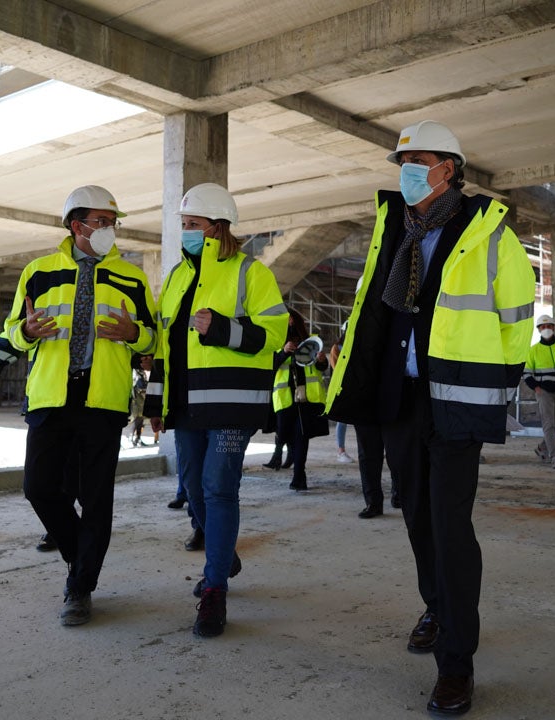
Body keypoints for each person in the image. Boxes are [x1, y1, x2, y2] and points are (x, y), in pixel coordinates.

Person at [325, 120, 535, 715]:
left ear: (448, 168)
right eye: (401, 161)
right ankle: (438, 608)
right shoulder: (396, 230)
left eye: (416, 159)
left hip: (457, 401)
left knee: (450, 525)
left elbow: (516, 321)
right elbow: (374, 310)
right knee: (416, 515)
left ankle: (457, 664)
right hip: (400, 398)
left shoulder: (487, 232)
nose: (405, 170)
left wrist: (491, 395)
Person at [3, 184, 156, 627]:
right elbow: (13, 330)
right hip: (51, 394)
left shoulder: (131, 276)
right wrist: (27, 331)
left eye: (113, 223)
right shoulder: (37, 270)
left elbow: (151, 337)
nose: (110, 229)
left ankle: (80, 587)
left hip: (103, 400)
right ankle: (79, 557)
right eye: (102, 222)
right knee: (39, 487)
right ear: (76, 225)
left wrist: (133, 336)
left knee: (96, 499)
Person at [143, 183, 287, 638]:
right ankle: (223, 556)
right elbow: (165, 350)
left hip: (230, 406)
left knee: (218, 489)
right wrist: (154, 403)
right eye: (182, 225)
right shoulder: (177, 279)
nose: (185, 232)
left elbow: (276, 333)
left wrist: (223, 328)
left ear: (217, 227)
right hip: (185, 406)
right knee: (192, 488)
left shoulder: (251, 273)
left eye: (192, 225)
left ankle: (214, 589)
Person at [0, 333, 58, 552]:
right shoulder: (36, 297)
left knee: (79, 479)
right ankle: (61, 528)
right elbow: (14, 332)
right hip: (46, 399)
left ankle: (78, 535)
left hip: (95, 404)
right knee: (41, 480)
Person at [329, 328, 399, 518]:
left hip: (388, 400)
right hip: (365, 402)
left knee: (396, 453)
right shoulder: (352, 342)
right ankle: (373, 503)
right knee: (368, 456)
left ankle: (398, 493)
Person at [271, 308, 329, 492]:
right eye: (286, 321)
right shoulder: (274, 341)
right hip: (286, 398)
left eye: (292, 320)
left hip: (307, 398)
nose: (289, 323)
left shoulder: (311, 340)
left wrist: (321, 360)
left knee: (301, 436)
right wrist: (284, 352)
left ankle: (299, 475)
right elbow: (270, 366)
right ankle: (292, 468)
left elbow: (322, 367)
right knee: (287, 435)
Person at [522, 314, 555, 469]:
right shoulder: (533, 351)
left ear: (554, 327)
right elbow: (526, 373)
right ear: (539, 329)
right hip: (544, 392)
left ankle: (542, 448)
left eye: (549, 326)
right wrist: (536, 387)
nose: (546, 329)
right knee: (549, 424)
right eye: (543, 327)